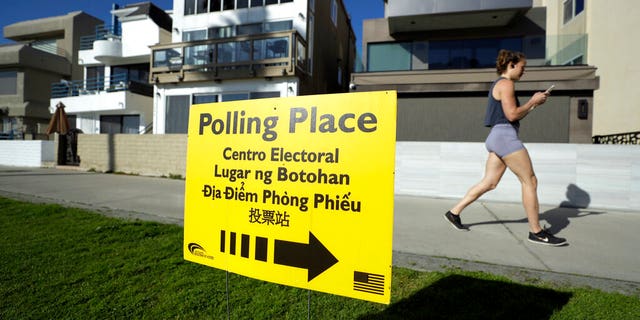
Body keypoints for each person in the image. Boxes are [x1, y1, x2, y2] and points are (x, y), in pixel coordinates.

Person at [444, 49, 567, 246]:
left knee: (490, 183)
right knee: (530, 181)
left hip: (496, 136)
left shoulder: (499, 84)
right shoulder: (506, 83)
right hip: (504, 136)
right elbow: (512, 115)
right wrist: (532, 101)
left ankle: (453, 212)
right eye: (522, 67)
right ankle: (536, 231)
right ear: (511, 65)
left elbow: (513, 115)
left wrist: (534, 106)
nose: (524, 71)